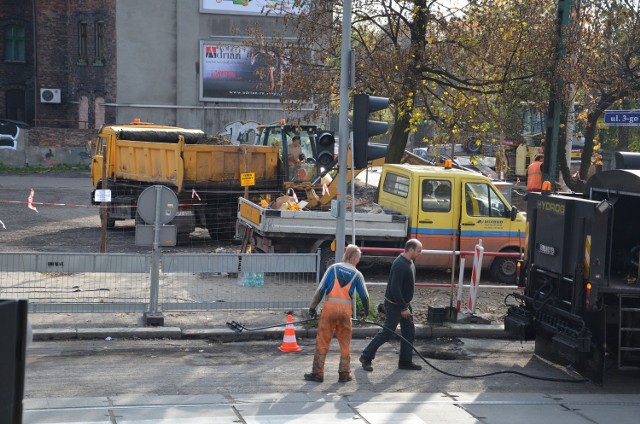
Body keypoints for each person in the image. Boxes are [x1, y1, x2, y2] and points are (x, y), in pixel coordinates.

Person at [304, 244, 370, 384]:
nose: (358, 260)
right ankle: (344, 374)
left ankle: (318, 373)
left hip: (329, 309)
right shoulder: (357, 275)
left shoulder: (333, 268)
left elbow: (320, 290)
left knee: (322, 341)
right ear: (354, 257)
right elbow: (365, 296)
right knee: (345, 343)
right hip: (345, 312)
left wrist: (312, 308)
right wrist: (366, 310)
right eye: (358, 258)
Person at [359, 239, 423, 372]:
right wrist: (403, 308)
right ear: (410, 249)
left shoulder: (409, 262)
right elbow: (395, 288)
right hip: (396, 305)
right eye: (418, 251)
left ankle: (405, 362)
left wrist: (406, 305)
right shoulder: (400, 265)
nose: (420, 254)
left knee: (409, 332)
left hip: (403, 304)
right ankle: (366, 357)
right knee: (387, 333)